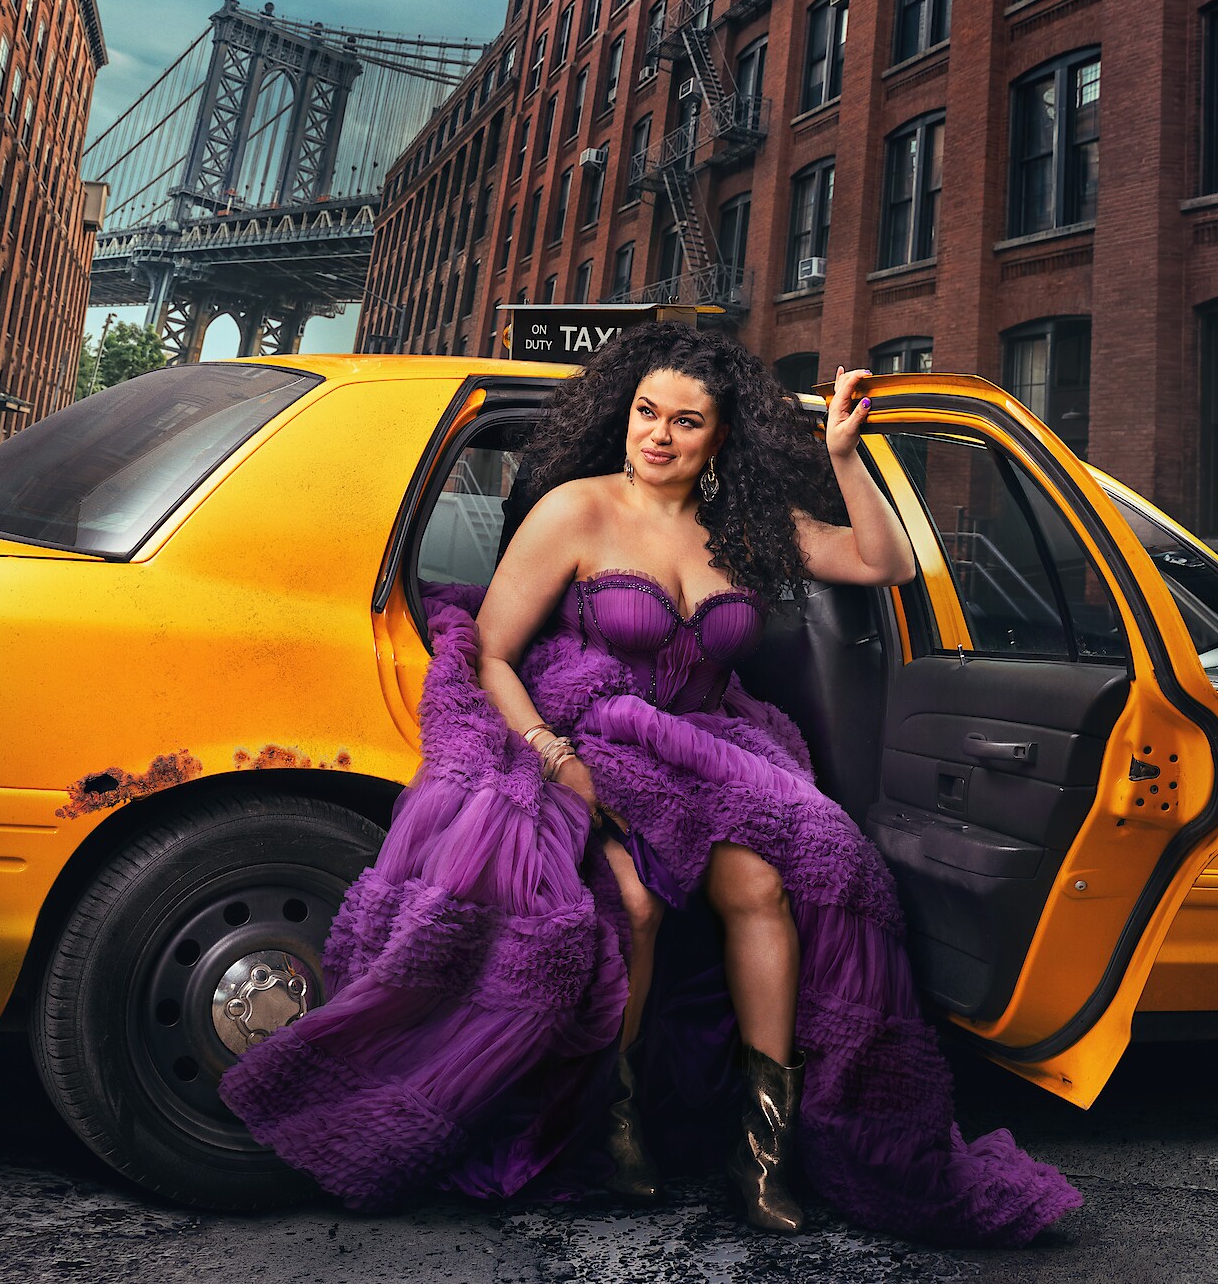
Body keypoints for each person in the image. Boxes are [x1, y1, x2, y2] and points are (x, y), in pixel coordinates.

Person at [221, 324, 1080, 1245]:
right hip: (584, 729)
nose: (658, 435)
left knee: (774, 883)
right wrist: (557, 757)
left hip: (711, 748)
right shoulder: (575, 511)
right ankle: (615, 1124)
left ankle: (765, 1153)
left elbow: (886, 562)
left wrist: (843, 453)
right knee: (632, 900)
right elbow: (499, 658)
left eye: (685, 420)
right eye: (645, 412)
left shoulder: (748, 527)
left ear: (721, 438)